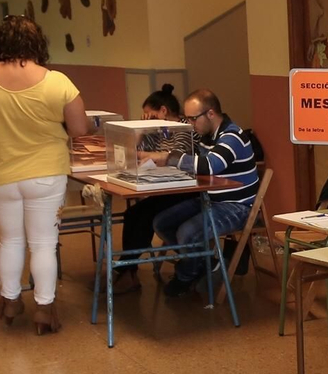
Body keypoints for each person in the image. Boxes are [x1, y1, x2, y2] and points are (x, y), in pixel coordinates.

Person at [0, 15, 88, 335]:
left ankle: (11, 300)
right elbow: (79, 130)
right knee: (44, 244)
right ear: (38, 43)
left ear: (0, 43)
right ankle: (44, 309)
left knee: (11, 240)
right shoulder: (57, 82)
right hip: (46, 173)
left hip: (2, 173)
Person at [152, 89, 258, 297]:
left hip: (237, 206)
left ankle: (185, 275)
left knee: (188, 233)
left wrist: (170, 158)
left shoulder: (232, 136)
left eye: (192, 119)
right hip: (211, 198)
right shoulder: (206, 135)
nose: (190, 124)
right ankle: (207, 262)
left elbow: (210, 166)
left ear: (210, 114)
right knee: (161, 223)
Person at [110, 86, 182, 294]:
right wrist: (141, 130)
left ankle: (125, 269)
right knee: (132, 213)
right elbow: (134, 154)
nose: (146, 119)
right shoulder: (156, 130)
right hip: (163, 187)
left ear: (163, 111)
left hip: (182, 189)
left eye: (149, 115)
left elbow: (176, 155)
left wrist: (153, 155)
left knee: (146, 216)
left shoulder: (184, 128)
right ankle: (128, 270)